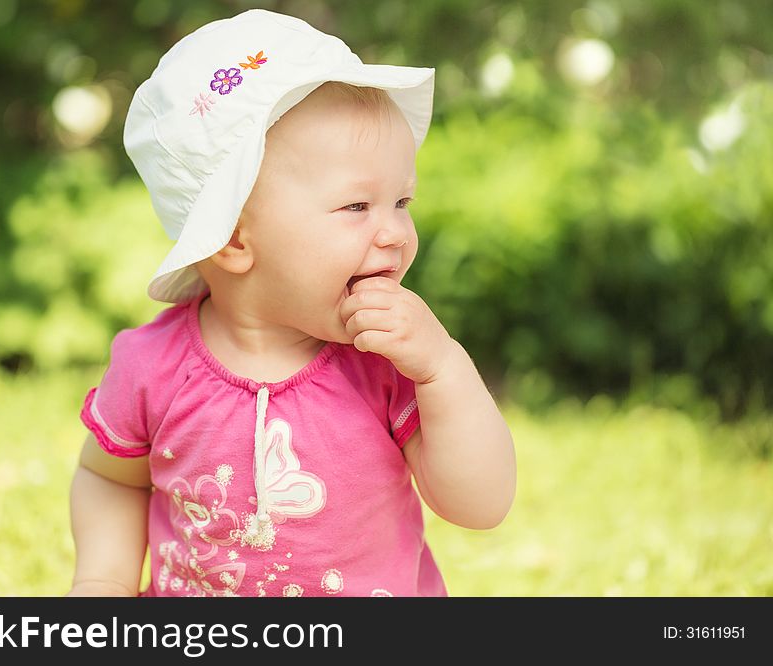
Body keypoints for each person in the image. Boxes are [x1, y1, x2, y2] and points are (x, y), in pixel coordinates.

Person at [68, 8, 515, 597]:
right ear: (231, 237)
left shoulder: (384, 360)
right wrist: (103, 578)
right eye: (357, 207)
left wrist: (444, 367)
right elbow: (111, 477)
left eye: (402, 202)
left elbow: (480, 504)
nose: (394, 233)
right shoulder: (153, 366)